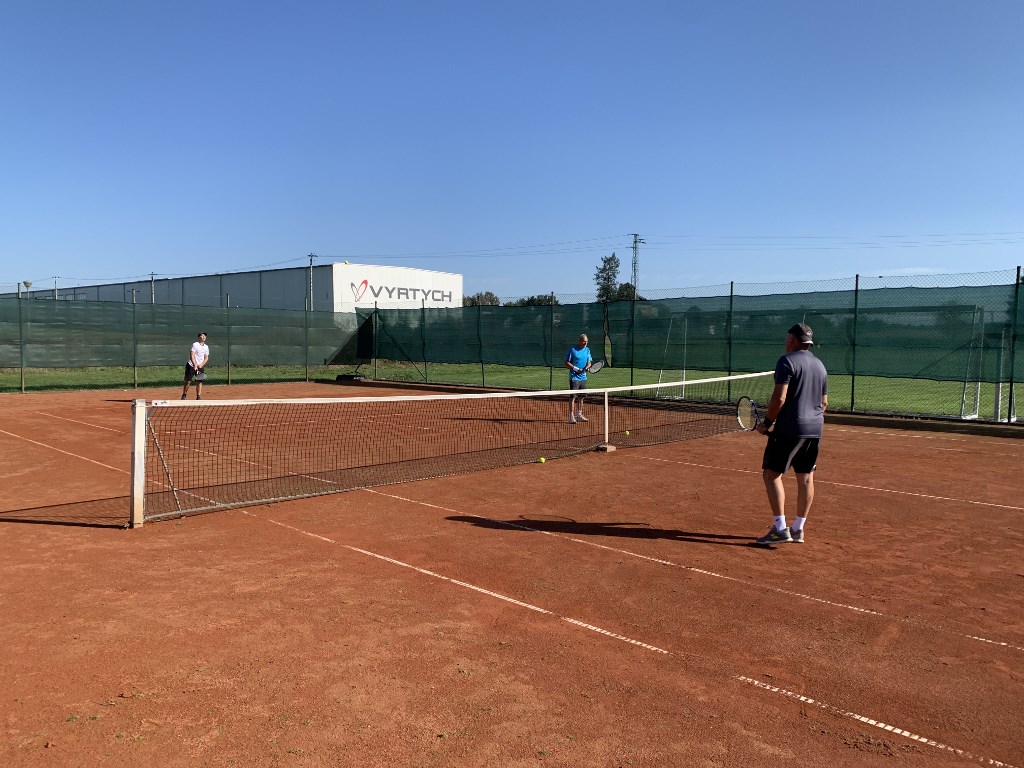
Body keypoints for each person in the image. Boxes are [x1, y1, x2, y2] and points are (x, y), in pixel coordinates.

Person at [754, 323, 828, 545]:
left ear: (794, 339)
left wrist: (767, 424)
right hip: (815, 429)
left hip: (790, 429)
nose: (785, 341)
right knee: (806, 477)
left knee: (771, 475)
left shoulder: (786, 361)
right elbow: (824, 403)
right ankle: (798, 529)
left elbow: (780, 398)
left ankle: (780, 529)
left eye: (787, 337)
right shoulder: (820, 365)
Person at [565, 333, 593, 424]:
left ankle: (579, 415)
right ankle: (571, 416)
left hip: (583, 378)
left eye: (587, 342)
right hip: (574, 378)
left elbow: (589, 361)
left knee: (581, 397)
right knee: (573, 397)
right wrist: (576, 369)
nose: (586, 343)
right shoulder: (573, 350)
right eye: (584, 341)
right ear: (579, 341)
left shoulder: (587, 350)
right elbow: (567, 363)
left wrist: (587, 367)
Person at [181, 331, 210, 400]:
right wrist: (195, 365)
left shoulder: (206, 347)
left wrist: (201, 364)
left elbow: (206, 357)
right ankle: (184, 394)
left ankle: (198, 397)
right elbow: (192, 355)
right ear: (199, 337)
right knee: (188, 381)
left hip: (200, 366)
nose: (204, 336)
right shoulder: (195, 344)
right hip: (191, 365)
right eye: (202, 335)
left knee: (199, 381)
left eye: (205, 336)